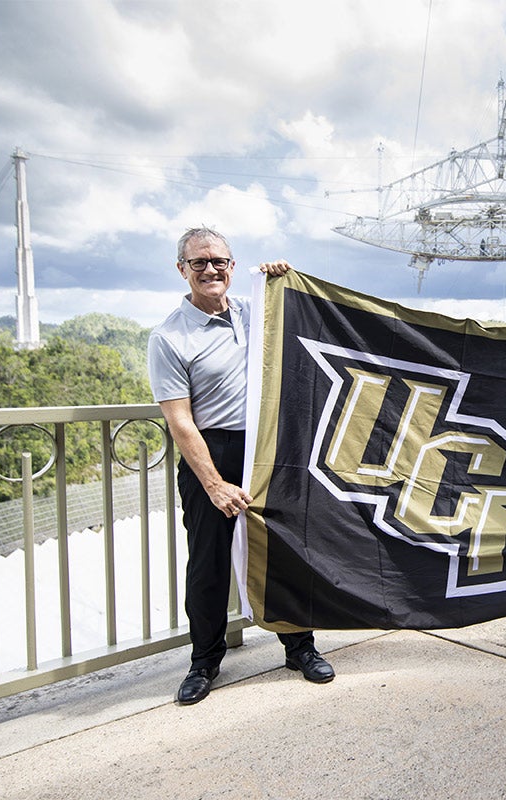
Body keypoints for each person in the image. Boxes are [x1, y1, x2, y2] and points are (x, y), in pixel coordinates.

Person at [148, 226, 335, 706]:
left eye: (219, 261)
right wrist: (212, 484)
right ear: (182, 270)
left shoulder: (257, 313)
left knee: (284, 551)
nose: (210, 270)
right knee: (208, 565)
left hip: (267, 448)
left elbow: (302, 322)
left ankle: (300, 647)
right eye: (198, 263)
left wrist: (282, 280)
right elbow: (180, 421)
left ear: (233, 266)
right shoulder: (169, 336)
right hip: (210, 453)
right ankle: (203, 663)